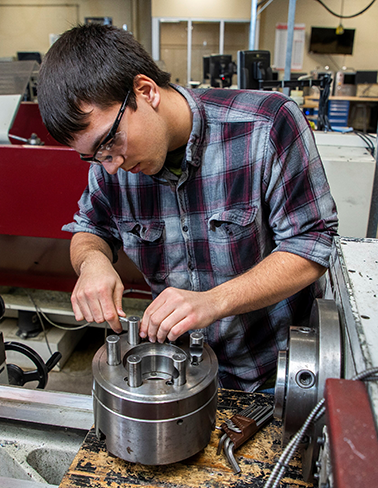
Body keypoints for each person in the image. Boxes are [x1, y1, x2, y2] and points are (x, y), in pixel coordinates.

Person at [38, 23, 338, 391]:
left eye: (110, 142)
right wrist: (93, 263)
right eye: (94, 156)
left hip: (273, 377)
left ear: (145, 91)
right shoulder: (111, 165)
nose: (111, 164)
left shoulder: (265, 125)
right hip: (177, 377)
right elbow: (90, 228)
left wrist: (215, 301)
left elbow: (312, 243)